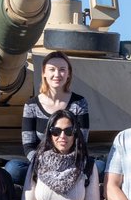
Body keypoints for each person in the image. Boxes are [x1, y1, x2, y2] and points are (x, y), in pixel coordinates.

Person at [7, 51, 92, 185]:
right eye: (52, 69)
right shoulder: (32, 105)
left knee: (98, 167)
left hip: (72, 163)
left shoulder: (79, 103)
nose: (57, 74)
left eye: (62, 70)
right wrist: (47, 165)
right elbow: (29, 145)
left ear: (69, 74)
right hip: (41, 164)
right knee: (13, 169)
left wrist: (65, 167)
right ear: (44, 73)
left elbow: (81, 143)